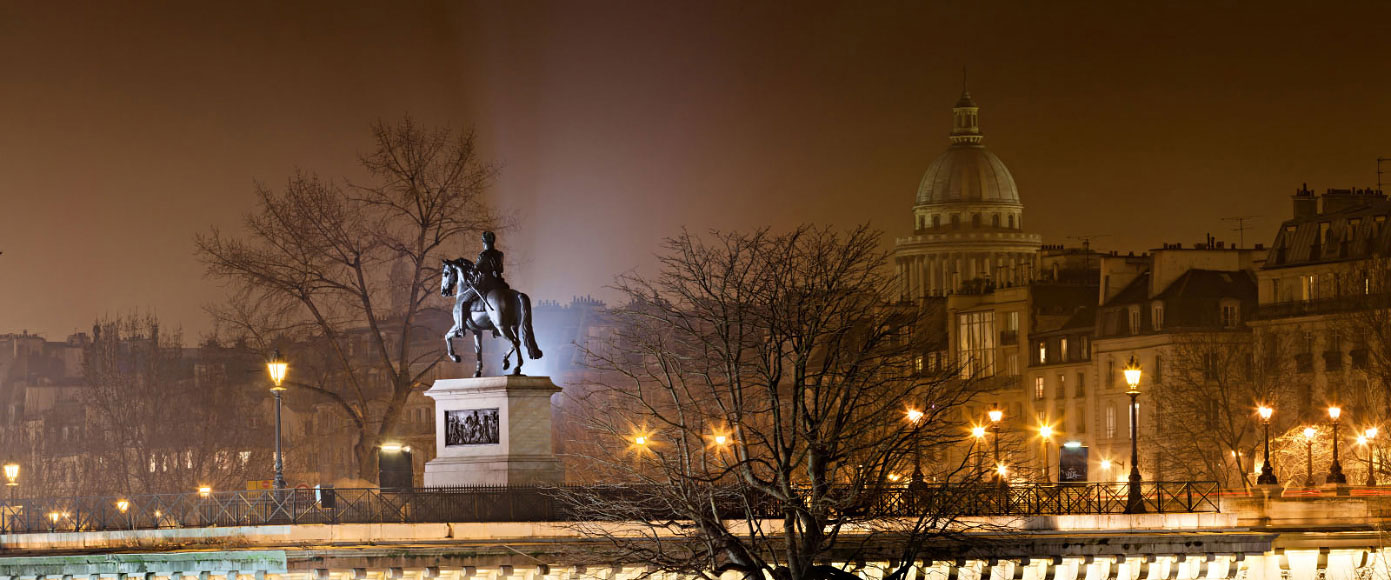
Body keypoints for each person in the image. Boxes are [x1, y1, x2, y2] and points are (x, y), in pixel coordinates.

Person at [461, 231, 509, 313]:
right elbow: (501, 270)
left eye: (483, 242)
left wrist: (470, 274)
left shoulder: (483, 255)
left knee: (464, 302)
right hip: (498, 283)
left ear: (485, 242)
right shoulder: (500, 254)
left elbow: (475, 271)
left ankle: (462, 325)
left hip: (484, 284)